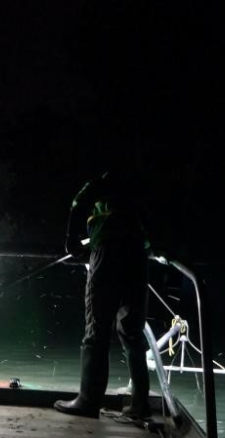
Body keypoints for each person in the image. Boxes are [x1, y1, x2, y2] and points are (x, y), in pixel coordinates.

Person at [54, 170, 152, 419]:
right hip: (138, 255)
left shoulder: (100, 184)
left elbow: (78, 204)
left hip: (108, 250)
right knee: (132, 329)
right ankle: (140, 405)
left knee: (97, 329)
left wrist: (72, 240)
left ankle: (88, 401)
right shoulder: (140, 189)